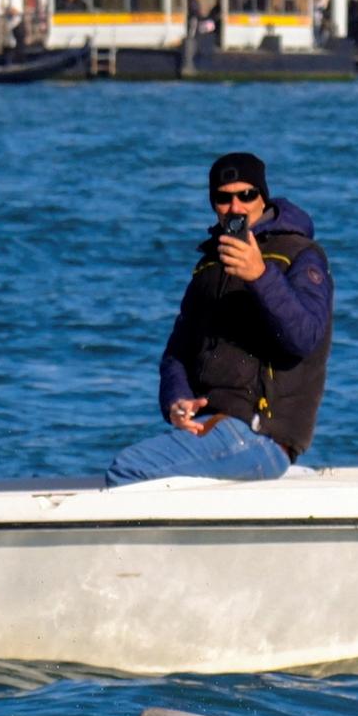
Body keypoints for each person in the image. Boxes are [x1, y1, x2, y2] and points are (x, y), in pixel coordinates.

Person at [105, 153, 333, 488]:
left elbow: (305, 337)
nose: (235, 207)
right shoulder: (211, 264)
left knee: (129, 470)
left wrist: (259, 276)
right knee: (137, 470)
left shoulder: (300, 254)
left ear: (263, 197)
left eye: (246, 195)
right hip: (214, 425)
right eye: (223, 198)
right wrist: (177, 400)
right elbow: (177, 352)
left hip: (263, 435)